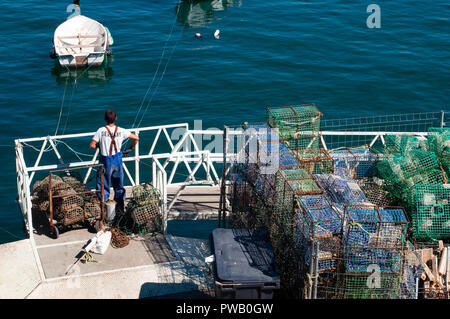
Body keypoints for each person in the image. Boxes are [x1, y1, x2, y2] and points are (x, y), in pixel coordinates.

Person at [90, 110, 139, 210]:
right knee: (119, 184)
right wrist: (130, 148)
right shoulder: (121, 130)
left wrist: (99, 145)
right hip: (117, 160)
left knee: (103, 184)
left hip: (105, 161)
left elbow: (92, 145)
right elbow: (136, 138)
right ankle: (120, 207)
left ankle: (104, 207)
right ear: (116, 118)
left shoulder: (100, 130)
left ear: (105, 119)